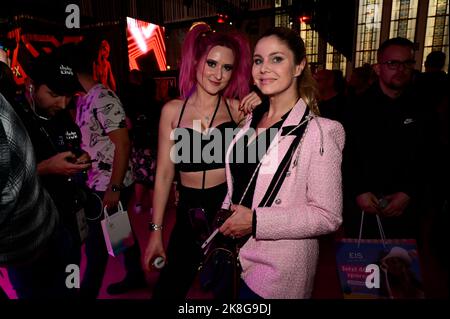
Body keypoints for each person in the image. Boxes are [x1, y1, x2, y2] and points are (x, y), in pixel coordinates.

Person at [218, 27, 345, 299]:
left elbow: (328, 215)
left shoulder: (320, 131)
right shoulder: (250, 122)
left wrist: (255, 221)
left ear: (299, 66)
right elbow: (241, 183)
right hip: (235, 256)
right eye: (258, 60)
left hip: (278, 271)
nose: (264, 68)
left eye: (277, 59)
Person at [143, 22, 260, 299]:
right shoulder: (172, 111)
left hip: (226, 213)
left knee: (227, 292)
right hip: (188, 213)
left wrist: (265, 100)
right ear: (195, 61)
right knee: (168, 290)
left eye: (227, 67)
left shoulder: (238, 111)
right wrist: (156, 233)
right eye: (212, 63)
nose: (218, 74)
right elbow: (162, 175)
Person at [73, 41, 146, 298]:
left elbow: (123, 144)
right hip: (98, 181)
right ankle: (136, 275)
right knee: (118, 234)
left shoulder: (102, 97)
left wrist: (114, 189)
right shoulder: (83, 100)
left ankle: (88, 293)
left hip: (109, 185)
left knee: (96, 247)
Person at [345, 37, 427, 240]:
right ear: (378, 68)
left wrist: (408, 193)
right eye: (392, 63)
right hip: (363, 207)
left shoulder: (424, 108)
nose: (400, 69)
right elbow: (345, 155)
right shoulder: (354, 107)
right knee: (362, 268)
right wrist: (360, 191)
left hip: (406, 208)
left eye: (407, 63)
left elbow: (430, 155)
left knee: (402, 267)